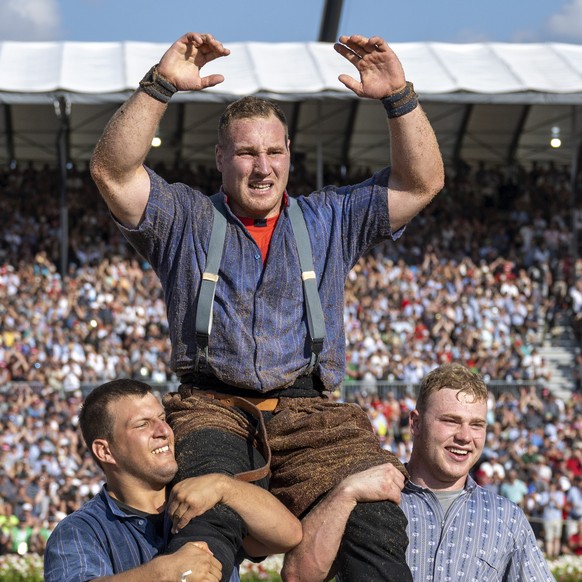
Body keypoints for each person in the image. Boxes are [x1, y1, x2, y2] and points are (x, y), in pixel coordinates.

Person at [90, 31, 444, 581]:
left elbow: (422, 182)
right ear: (220, 159)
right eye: (247, 152)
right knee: (202, 526)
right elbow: (112, 171)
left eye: (274, 151)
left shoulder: (329, 218)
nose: (262, 167)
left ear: (289, 157)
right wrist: (159, 87)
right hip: (212, 409)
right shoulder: (185, 219)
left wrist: (399, 97)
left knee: (376, 527)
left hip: (314, 414)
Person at [282, 364, 555, 582]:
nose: (464, 436)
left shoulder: (507, 517)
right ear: (415, 423)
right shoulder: (367, 493)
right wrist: (346, 492)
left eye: (477, 425)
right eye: (450, 421)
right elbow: (298, 576)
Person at [43, 379, 301, 582]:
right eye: (143, 424)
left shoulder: (206, 493)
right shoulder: (80, 531)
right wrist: (160, 574)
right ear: (105, 451)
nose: (164, 431)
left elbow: (287, 537)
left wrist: (225, 487)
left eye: (163, 419)